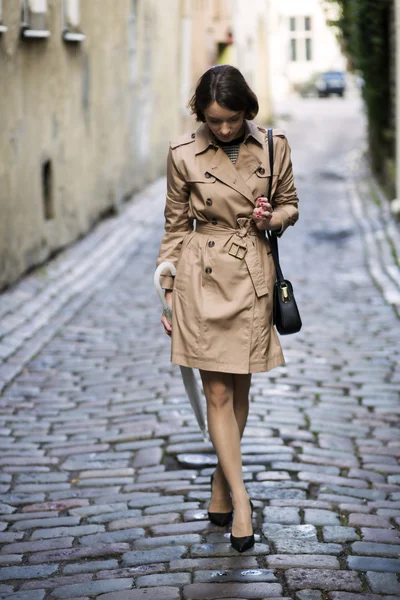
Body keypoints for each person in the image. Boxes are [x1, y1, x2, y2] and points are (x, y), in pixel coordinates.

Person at [156, 64, 298, 552]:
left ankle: (219, 484)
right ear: (201, 113)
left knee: (240, 390)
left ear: (246, 111)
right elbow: (176, 227)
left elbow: (290, 205)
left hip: (253, 274)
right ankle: (241, 501)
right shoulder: (182, 154)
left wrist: (271, 217)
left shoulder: (274, 145)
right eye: (214, 120)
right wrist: (168, 290)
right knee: (216, 394)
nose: (222, 129)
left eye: (231, 120)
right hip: (202, 276)